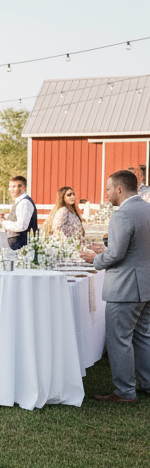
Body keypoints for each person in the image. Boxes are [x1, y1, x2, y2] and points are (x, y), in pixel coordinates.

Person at [79, 170, 150, 402]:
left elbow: (117, 255)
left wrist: (96, 259)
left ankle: (125, 392)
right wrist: (107, 248)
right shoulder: (147, 209)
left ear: (120, 189)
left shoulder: (122, 215)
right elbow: (136, 245)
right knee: (143, 337)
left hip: (126, 287)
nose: (106, 193)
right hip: (146, 286)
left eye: (108, 188)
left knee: (119, 339)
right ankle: (148, 384)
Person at [1, 175, 37, 250]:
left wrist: (2, 222)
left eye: (14, 187)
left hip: (21, 244)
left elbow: (22, 226)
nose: (11, 189)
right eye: (10, 186)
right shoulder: (19, 201)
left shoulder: (24, 202)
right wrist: (5, 217)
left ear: (23, 188)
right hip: (16, 242)